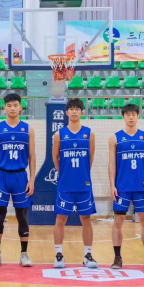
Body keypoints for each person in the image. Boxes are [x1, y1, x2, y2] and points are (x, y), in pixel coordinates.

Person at [0, 93, 36, 267]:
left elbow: (32, 156)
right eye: (9, 105)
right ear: (4, 108)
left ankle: (24, 254)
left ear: (21, 107)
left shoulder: (28, 129)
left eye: (15, 105)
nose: (12, 108)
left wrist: (32, 179)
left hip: (20, 176)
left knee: (22, 215)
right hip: (1, 175)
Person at [108, 103, 144, 270]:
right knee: (118, 220)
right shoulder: (115, 138)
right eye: (127, 114)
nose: (130, 117)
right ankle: (117, 258)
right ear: (123, 117)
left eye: (133, 114)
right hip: (122, 187)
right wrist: (112, 185)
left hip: (141, 187)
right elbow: (112, 163)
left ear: (138, 116)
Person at [52, 98, 97, 269]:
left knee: (86, 218)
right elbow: (55, 157)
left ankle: (88, 255)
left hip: (83, 184)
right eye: (71, 109)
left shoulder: (89, 133)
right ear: (66, 112)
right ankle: (58, 254)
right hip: (65, 184)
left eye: (77, 109)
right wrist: (64, 173)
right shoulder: (59, 134)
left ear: (82, 112)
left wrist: (82, 173)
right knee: (60, 218)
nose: (74, 111)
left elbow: (90, 157)